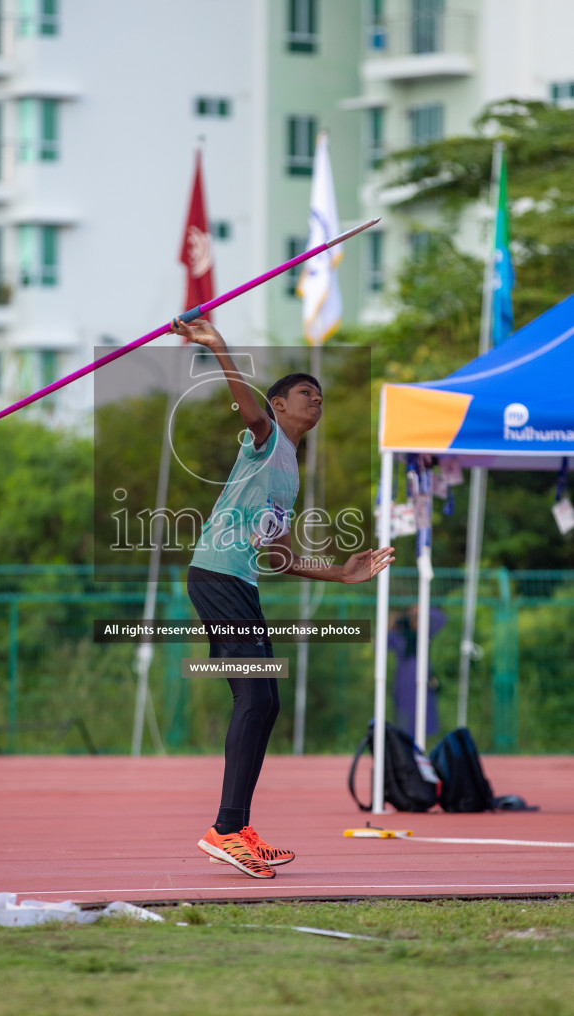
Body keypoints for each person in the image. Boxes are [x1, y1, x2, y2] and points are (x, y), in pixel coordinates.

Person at [171, 316, 395, 879]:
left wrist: (340, 575)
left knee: (263, 701)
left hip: (238, 583)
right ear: (278, 404)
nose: (315, 401)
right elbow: (247, 411)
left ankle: (237, 826)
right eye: (304, 394)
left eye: (320, 397)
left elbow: (279, 558)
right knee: (254, 698)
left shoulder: (290, 470)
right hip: (217, 578)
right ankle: (224, 830)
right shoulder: (263, 439)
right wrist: (221, 348)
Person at [388, 604, 446, 740]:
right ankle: (406, 744)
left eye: (418, 618)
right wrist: (390, 624)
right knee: (404, 718)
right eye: (413, 618)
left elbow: (440, 619)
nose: (416, 621)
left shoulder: (426, 634)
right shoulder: (401, 637)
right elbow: (382, 644)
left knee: (424, 713)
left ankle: (422, 744)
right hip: (404, 680)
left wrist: (422, 609)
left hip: (424, 677)